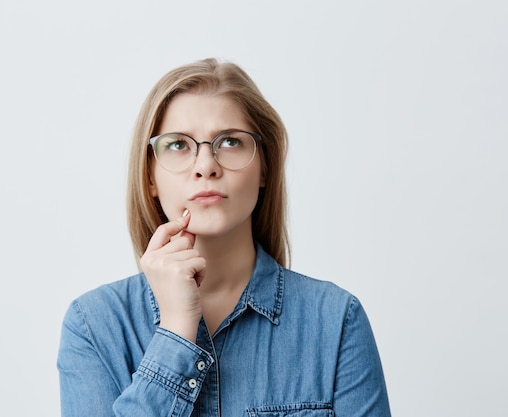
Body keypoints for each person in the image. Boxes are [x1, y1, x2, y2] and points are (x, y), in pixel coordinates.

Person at [57, 58, 391, 417]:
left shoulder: (337, 320)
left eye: (230, 141)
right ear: (150, 177)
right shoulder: (93, 325)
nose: (206, 165)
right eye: (178, 145)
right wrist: (175, 329)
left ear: (265, 167)